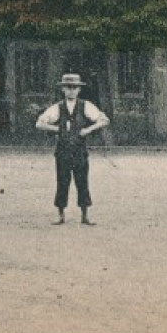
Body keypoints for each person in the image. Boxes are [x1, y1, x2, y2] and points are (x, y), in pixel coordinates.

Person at [35, 73, 110, 226]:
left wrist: (88, 130)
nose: (71, 91)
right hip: (62, 151)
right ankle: (60, 215)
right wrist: (56, 128)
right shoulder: (57, 108)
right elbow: (39, 123)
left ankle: (85, 215)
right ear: (63, 89)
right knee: (62, 181)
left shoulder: (86, 106)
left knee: (82, 182)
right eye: (68, 88)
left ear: (79, 90)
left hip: (79, 151)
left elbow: (104, 120)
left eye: (74, 88)